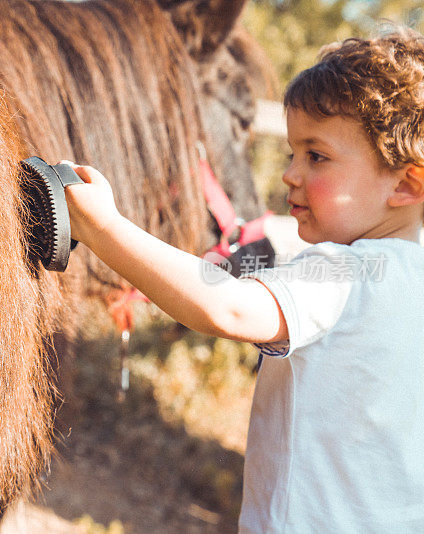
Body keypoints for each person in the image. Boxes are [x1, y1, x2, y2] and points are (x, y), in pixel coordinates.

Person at [64, 30, 424, 533]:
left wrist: (102, 226)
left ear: (406, 185)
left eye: (315, 156)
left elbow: (227, 307)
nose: (290, 174)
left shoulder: (345, 273)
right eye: (293, 152)